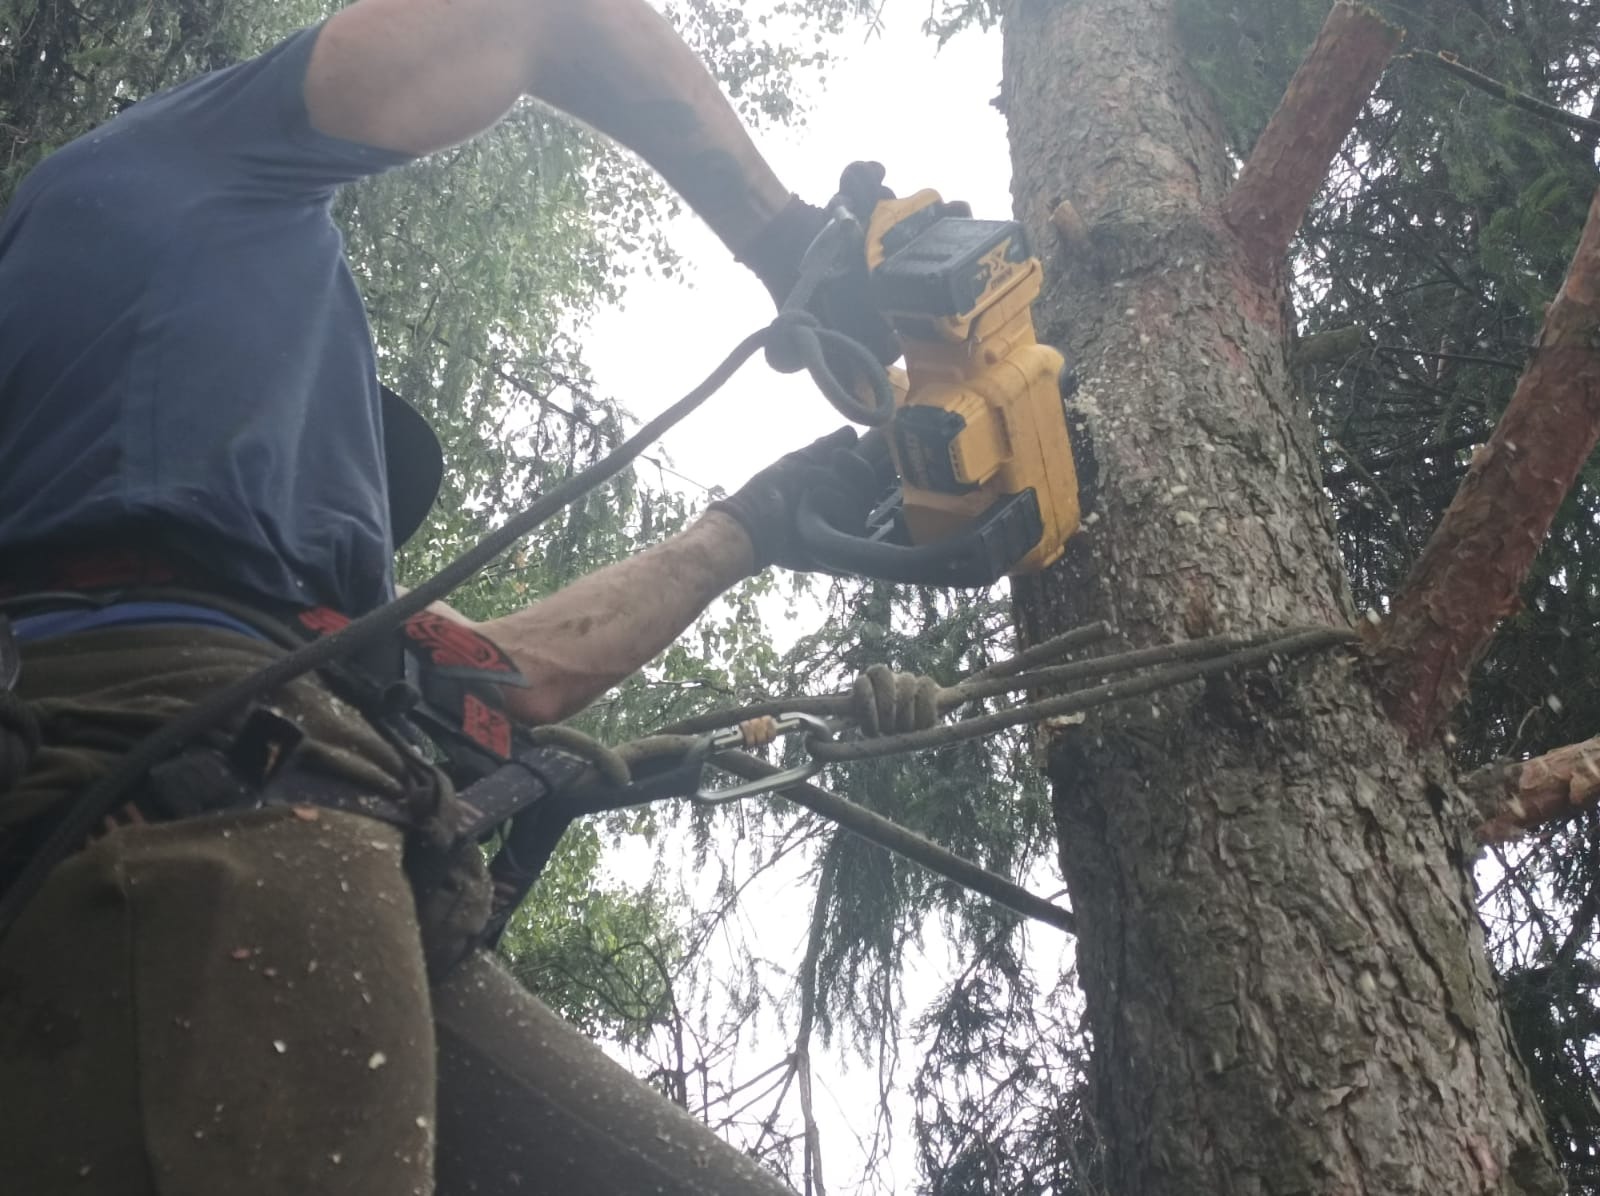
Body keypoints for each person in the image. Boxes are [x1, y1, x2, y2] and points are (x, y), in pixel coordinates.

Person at [0, 2, 910, 1191]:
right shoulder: (151, 183)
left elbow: (508, 676)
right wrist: (795, 245)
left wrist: (754, 522)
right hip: (199, 800)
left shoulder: (295, 602)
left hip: (302, 791)